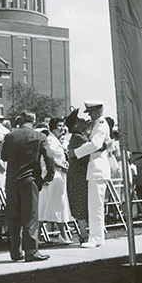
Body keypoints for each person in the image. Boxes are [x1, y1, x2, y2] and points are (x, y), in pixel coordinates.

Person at [1, 111, 54, 262]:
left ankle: (15, 252)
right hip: (29, 180)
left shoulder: (10, 136)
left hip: (11, 181)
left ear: (21, 120)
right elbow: (49, 157)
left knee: (14, 218)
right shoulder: (40, 136)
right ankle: (31, 251)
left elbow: (4, 156)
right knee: (30, 217)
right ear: (34, 121)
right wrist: (48, 175)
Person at [68, 100, 111, 248]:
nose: (90, 115)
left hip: (97, 169)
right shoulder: (96, 124)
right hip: (94, 170)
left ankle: (96, 238)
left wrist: (75, 152)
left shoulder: (101, 124)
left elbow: (95, 144)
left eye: (92, 112)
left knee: (96, 206)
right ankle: (96, 237)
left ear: (99, 110)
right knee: (94, 206)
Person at [38, 118, 72, 244]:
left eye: (63, 126)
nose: (62, 128)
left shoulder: (55, 140)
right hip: (54, 176)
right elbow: (50, 157)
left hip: (56, 175)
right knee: (57, 204)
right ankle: (63, 235)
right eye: (59, 126)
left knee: (46, 206)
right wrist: (62, 166)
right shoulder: (51, 140)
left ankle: (35, 236)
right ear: (52, 128)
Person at [65, 109, 90, 243]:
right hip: (79, 176)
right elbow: (85, 157)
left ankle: (84, 233)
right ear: (75, 125)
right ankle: (84, 234)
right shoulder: (79, 138)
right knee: (81, 204)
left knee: (81, 204)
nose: (82, 121)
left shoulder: (78, 137)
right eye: (79, 120)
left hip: (78, 175)